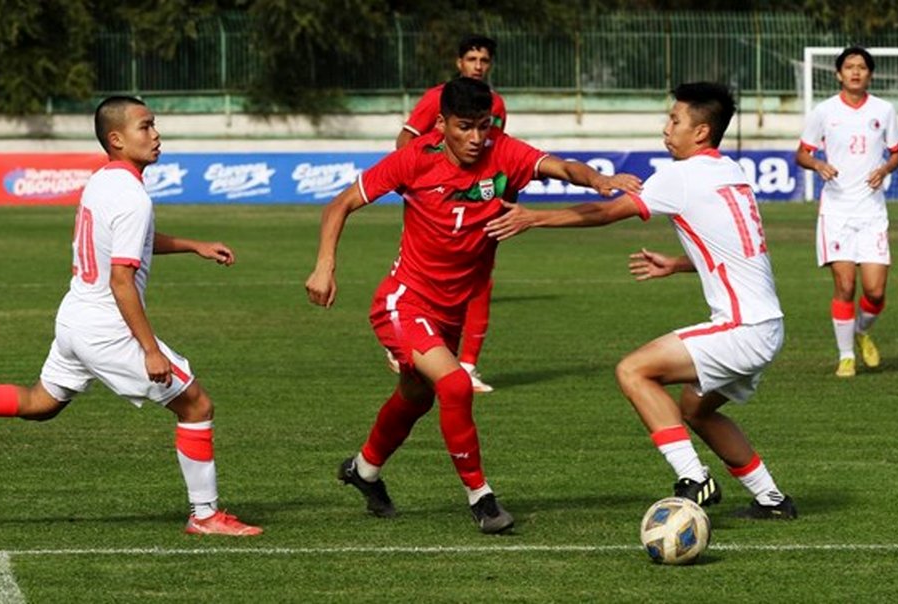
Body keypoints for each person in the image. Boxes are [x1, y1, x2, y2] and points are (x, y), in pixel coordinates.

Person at [0, 96, 262, 536]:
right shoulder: (133, 197)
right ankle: (206, 515)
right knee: (196, 405)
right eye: (146, 126)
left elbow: (126, 242)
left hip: (74, 317)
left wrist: (193, 244)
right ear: (116, 139)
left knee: (40, 403)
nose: (156, 134)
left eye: (154, 125)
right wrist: (150, 350)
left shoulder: (101, 181)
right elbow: (122, 280)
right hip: (107, 327)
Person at [306, 77, 641, 534]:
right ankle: (482, 499)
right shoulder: (413, 160)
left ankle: (363, 471)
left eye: (484, 126)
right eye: (465, 127)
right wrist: (325, 266)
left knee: (415, 396)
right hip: (403, 301)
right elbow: (339, 204)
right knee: (455, 385)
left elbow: (561, 167)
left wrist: (598, 179)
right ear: (441, 124)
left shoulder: (502, 152)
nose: (476, 138)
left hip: (450, 311)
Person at [485, 82, 796, 519]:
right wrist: (677, 263)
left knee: (633, 371)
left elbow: (606, 212)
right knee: (696, 409)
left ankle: (695, 479)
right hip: (767, 326)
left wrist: (534, 217)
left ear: (701, 132)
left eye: (675, 120)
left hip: (742, 329)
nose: (666, 128)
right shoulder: (731, 173)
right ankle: (773, 500)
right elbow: (738, 251)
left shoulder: (681, 174)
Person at [392, 34, 506, 393]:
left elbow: (497, 153)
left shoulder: (496, 104)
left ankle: (467, 366)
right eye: (471, 59)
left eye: (484, 60)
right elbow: (405, 141)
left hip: (479, 203)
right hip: (435, 204)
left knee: (480, 279)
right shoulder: (436, 98)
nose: (478, 66)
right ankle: (405, 337)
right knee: (421, 274)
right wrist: (419, 184)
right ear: (459, 63)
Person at [795, 46, 898, 378]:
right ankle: (845, 357)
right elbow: (801, 154)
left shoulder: (884, 111)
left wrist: (885, 169)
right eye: (849, 67)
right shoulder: (824, 112)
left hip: (871, 211)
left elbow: (897, 154)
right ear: (839, 74)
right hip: (837, 212)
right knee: (845, 286)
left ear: (870, 74)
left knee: (875, 291)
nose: (856, 72)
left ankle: (860, 330)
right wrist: (817, 163)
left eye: (862, 67)